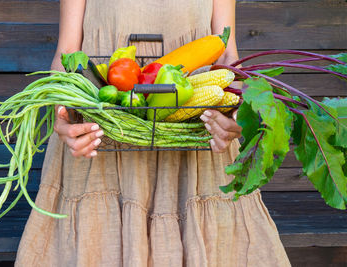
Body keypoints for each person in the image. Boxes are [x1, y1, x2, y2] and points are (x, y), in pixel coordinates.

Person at [15, 0, 291, 266]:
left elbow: (229, 56)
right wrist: (62, 117)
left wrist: (233, 115)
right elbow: (67, 52)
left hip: (196, 144)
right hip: (101, 147)